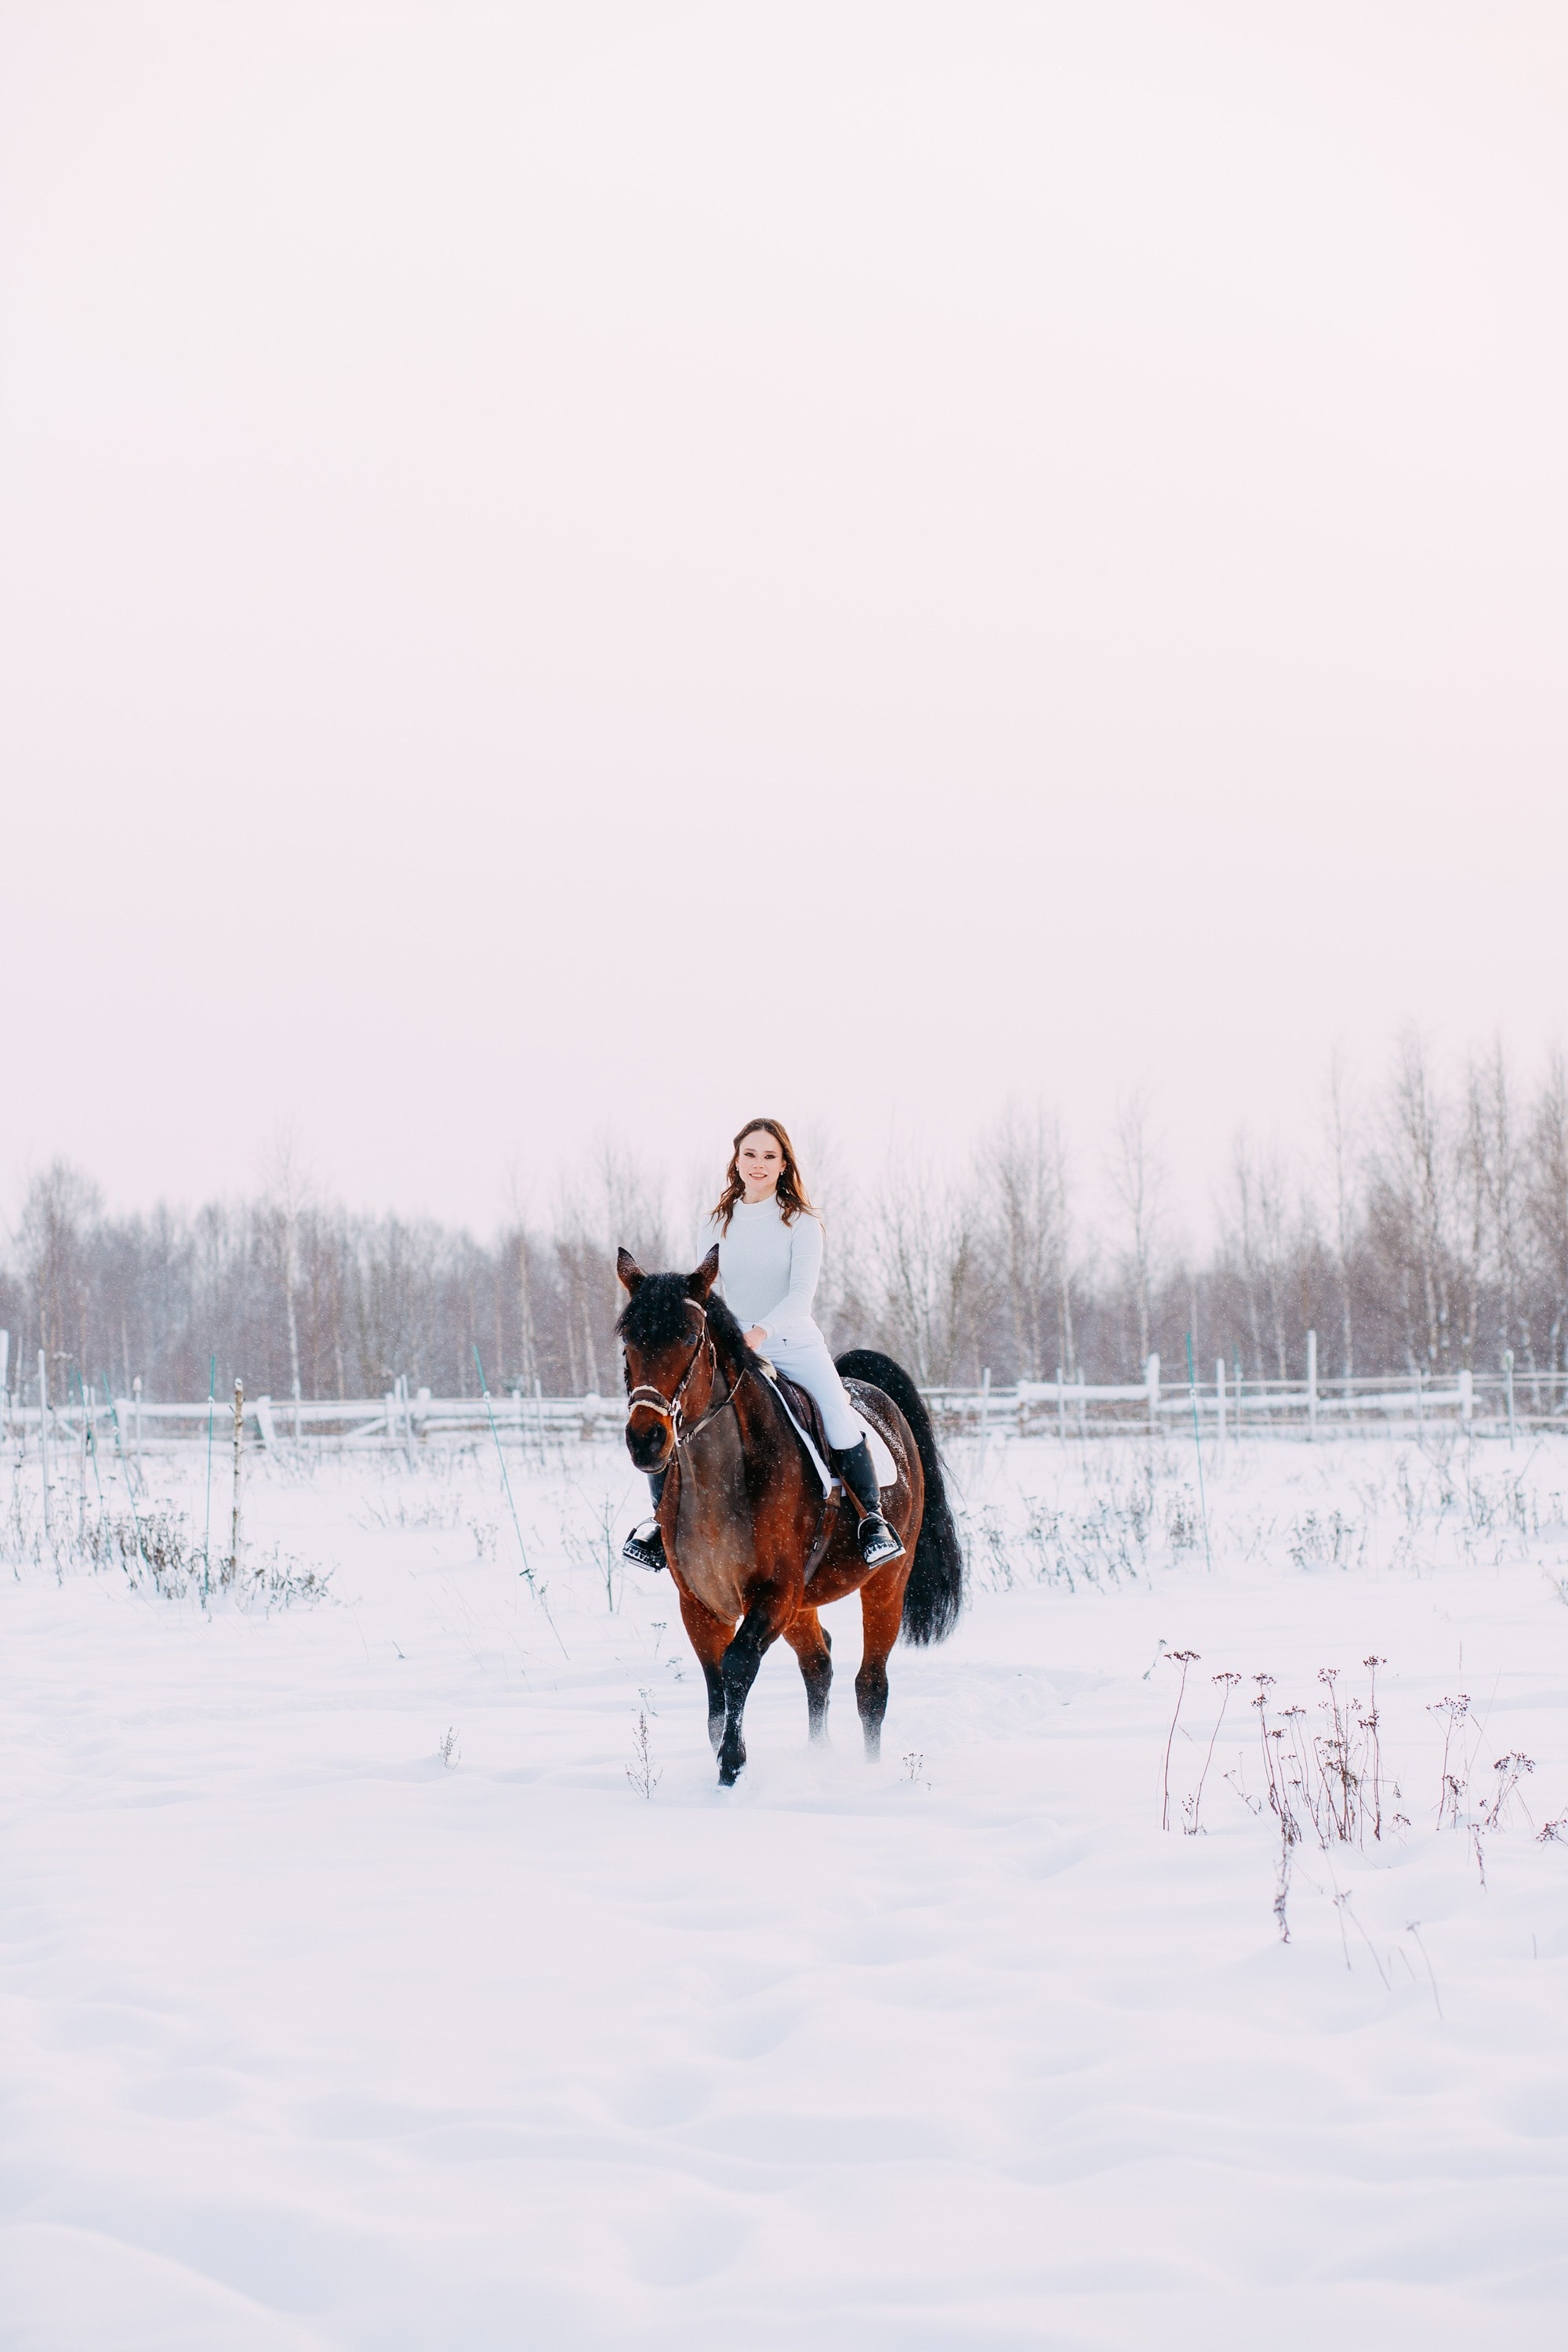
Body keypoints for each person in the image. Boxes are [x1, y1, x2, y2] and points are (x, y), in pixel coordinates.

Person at [622, 1117, 905, 1574]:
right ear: (737, 1160)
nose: (758, 1164)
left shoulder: (802, 1223)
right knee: (680, 1413)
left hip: (792, 1340)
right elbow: (706, 1289)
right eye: (750, 1154)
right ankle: (659, 1524)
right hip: (733, 1343)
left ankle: (871, 1521)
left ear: (783, 1164)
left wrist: (762, 1332)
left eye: (769, 1156)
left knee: (836, 1413)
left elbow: (801, 1295)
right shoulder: (716, 1222)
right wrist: (727, 1333)